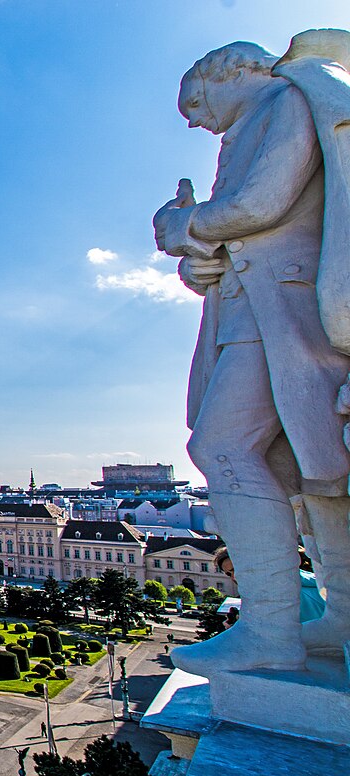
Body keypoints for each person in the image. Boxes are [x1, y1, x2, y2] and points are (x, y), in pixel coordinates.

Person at [154, 33, 350, 676]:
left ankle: (271, 631)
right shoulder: (243, 134)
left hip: (286, 317)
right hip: (253, 317)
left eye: (195, 101)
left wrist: (186, 225)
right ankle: (329, 620)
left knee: (226, 447)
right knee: (305, 467)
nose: (192, 119)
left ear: (228, 73)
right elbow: (237, 243)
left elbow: (259, 207)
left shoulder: (286, 103)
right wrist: (197, 257)